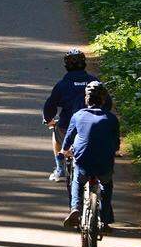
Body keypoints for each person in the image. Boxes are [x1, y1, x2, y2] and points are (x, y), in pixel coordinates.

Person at [61, 81, 119, 232]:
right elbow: (116, 144)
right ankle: (105, 221)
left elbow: (67, 140)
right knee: (107, 186)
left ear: (86, 99)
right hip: (104, 163)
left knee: (77, 181)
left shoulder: (78, 115)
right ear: (103, 100)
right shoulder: (112, 119)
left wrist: (64, 151)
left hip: (83, 161)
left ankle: (75, 208)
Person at [42, 49, 99, 181]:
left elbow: (50, 105)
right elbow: (106, 103)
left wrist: (48, 119)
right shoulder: (93, 81)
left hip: (67, 125)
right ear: (84, 64)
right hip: (93, 125)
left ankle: (60, 169)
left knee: (56, 133)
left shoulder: (62, 85)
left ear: (66, 66)